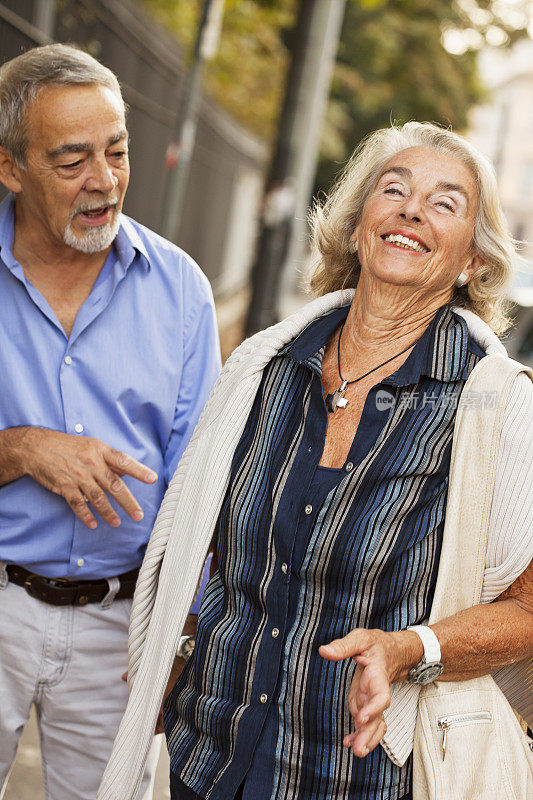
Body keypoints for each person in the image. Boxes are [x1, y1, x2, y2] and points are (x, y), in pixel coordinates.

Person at [98, 122, 533, 800]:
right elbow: (211, 551)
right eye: (394, 191)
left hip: (357, 774)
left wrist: (410, 648)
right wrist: (178, 652)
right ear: (359, 225)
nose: (411, 210)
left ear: (471, 262)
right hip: (208, 754)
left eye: (444, 203)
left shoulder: (493, 405)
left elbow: (527, 609)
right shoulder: (262, 371)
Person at [0, 44, 220, 800]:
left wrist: (181, 636)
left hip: (120, 633)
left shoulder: (181, 289)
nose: (104, 180)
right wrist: (24, 449)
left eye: (117, 151)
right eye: (71, 161)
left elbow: (202, 484)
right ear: (9, 168)